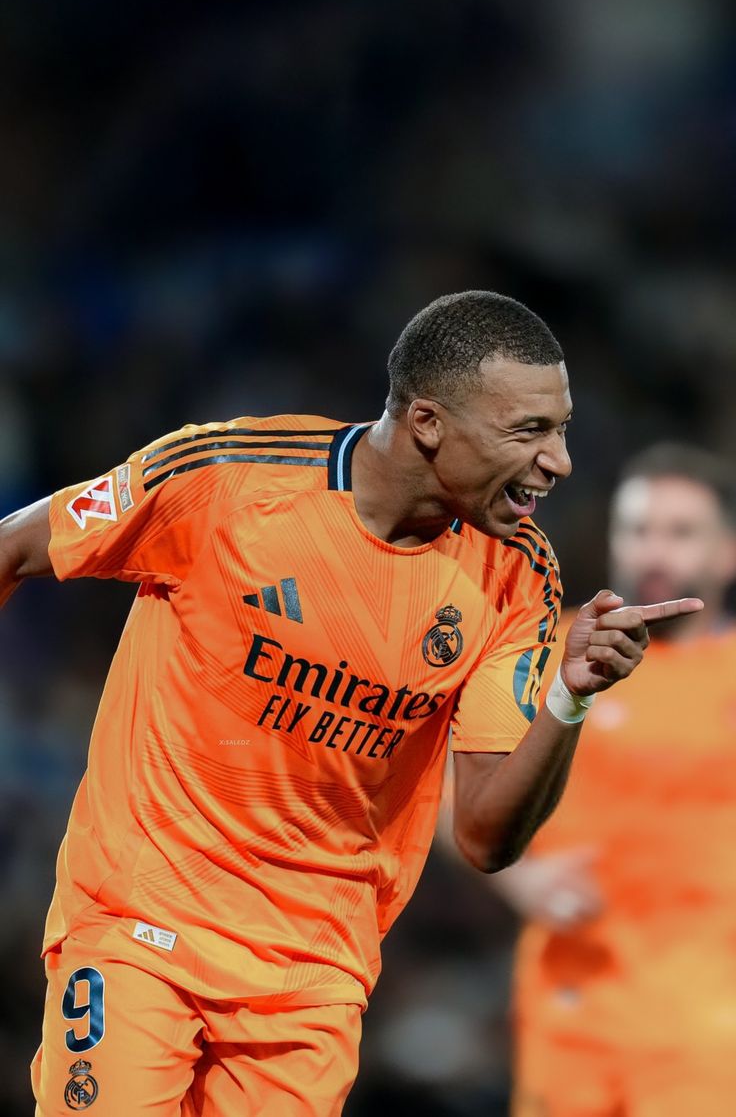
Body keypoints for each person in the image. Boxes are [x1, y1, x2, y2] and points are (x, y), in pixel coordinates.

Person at [0, 292, 699, 1117]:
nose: (560, 461)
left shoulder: (518, 577)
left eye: (563, 428)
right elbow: (14, 547)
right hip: (140, 923)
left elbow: (483, 836)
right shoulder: (230, 480)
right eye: (528, 432)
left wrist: (569, 697)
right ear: (430, 423)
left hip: (314, 979)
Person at [495, 442, 736, 1117]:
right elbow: (448, 787)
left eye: (681, 533)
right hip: (570, 1008)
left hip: (709, 1024)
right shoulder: (550, 652)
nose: (654, 552)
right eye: (637, 529)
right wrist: (515, 876)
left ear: (727, 553)